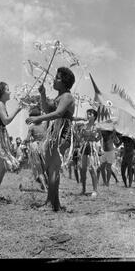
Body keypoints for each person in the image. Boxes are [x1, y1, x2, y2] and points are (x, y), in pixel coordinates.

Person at [26, 67, 76, 211]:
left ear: (65, 82)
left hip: (63, 132)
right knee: (51, 167)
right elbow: (48, 109)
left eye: (58, 78)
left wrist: (37, 118)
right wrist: (43, 94)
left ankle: (51, 204)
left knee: (53, 168)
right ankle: (55, 203)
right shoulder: (59, 97)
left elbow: (58, 113)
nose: (54, 79)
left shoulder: (67, 96)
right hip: (55, 132)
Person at [24, 107, 49, 191]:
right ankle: (48, 186)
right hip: (44, 147)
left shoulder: (31, 127)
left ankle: (45, 187)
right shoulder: (45, 124)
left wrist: (26, 141)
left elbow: (27, 139)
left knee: (39, 169)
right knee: (48, 168)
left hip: (35, 147)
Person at [79, 109, 101, 197]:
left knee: (92, 169)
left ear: (94, 116)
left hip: (92, 148)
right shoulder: (83, 126)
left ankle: (95, 190)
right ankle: (83, 189)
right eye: (87, 114)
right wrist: (77, 134)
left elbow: (99, 137)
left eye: (90, 114)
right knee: (82, 169)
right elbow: (80, 138)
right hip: (84, 147)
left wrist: (95, 139)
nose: (88, 116)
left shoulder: (97, 127)